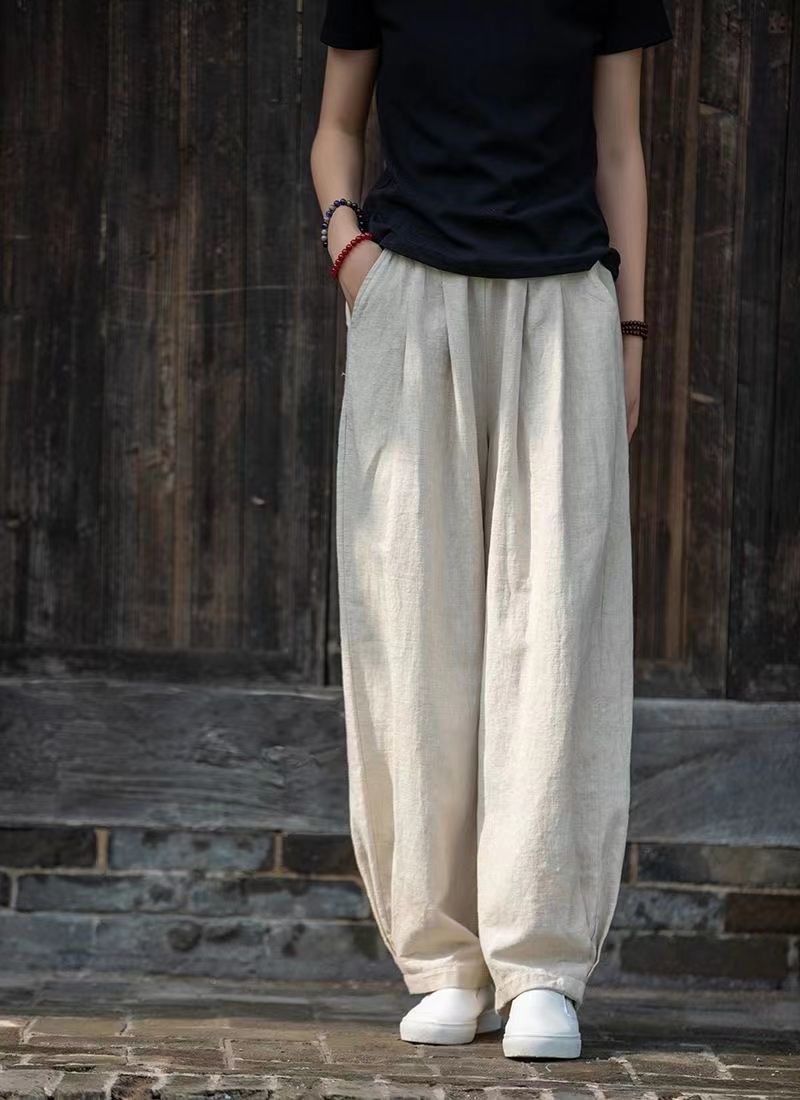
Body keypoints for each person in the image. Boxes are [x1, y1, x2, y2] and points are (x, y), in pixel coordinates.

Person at [310, 0, 673, 1061]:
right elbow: (336, 126)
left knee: (554, 630)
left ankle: (540, 963)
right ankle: (444, 960)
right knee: (412, 627)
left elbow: (619, 147)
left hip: (562, 304)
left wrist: (632, 331)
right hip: (411, 298)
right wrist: (351, 255)